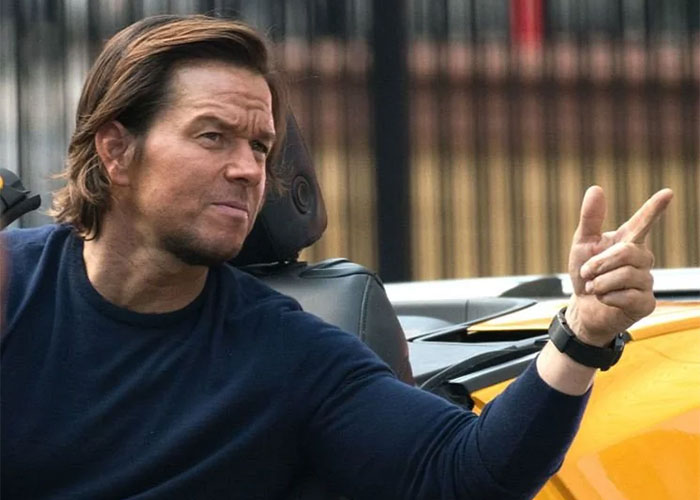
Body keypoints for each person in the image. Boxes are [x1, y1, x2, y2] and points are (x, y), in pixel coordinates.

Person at [0, 14, 673, 500]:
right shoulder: (12, 287)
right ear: (117, 150)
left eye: (260, 147)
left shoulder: (289, 353)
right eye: (213, 137)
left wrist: (583, 333)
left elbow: (467, 473)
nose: (246, 170)